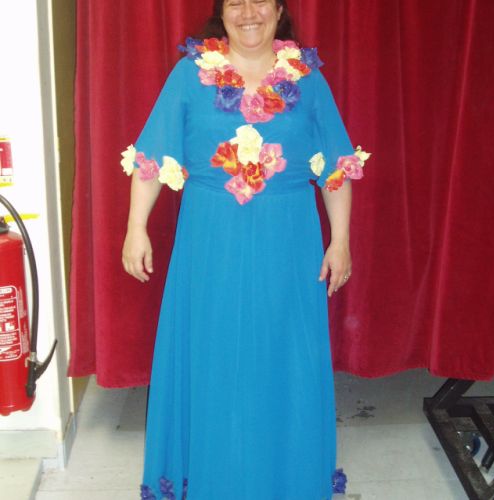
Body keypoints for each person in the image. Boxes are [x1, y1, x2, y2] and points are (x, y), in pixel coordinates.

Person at [121, 1, 369, 498]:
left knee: (284, 359)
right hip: (210, 243)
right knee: (213, 357)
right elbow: (152, 158)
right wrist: (135, 228)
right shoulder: (190, 75)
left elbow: (336, 168)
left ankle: (284, 480)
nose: (248, 12)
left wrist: (340, 241)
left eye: (260, 0)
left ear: (279, 10)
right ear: (221, 12)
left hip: (289, 243)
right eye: (236, 1)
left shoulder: (307, 80)